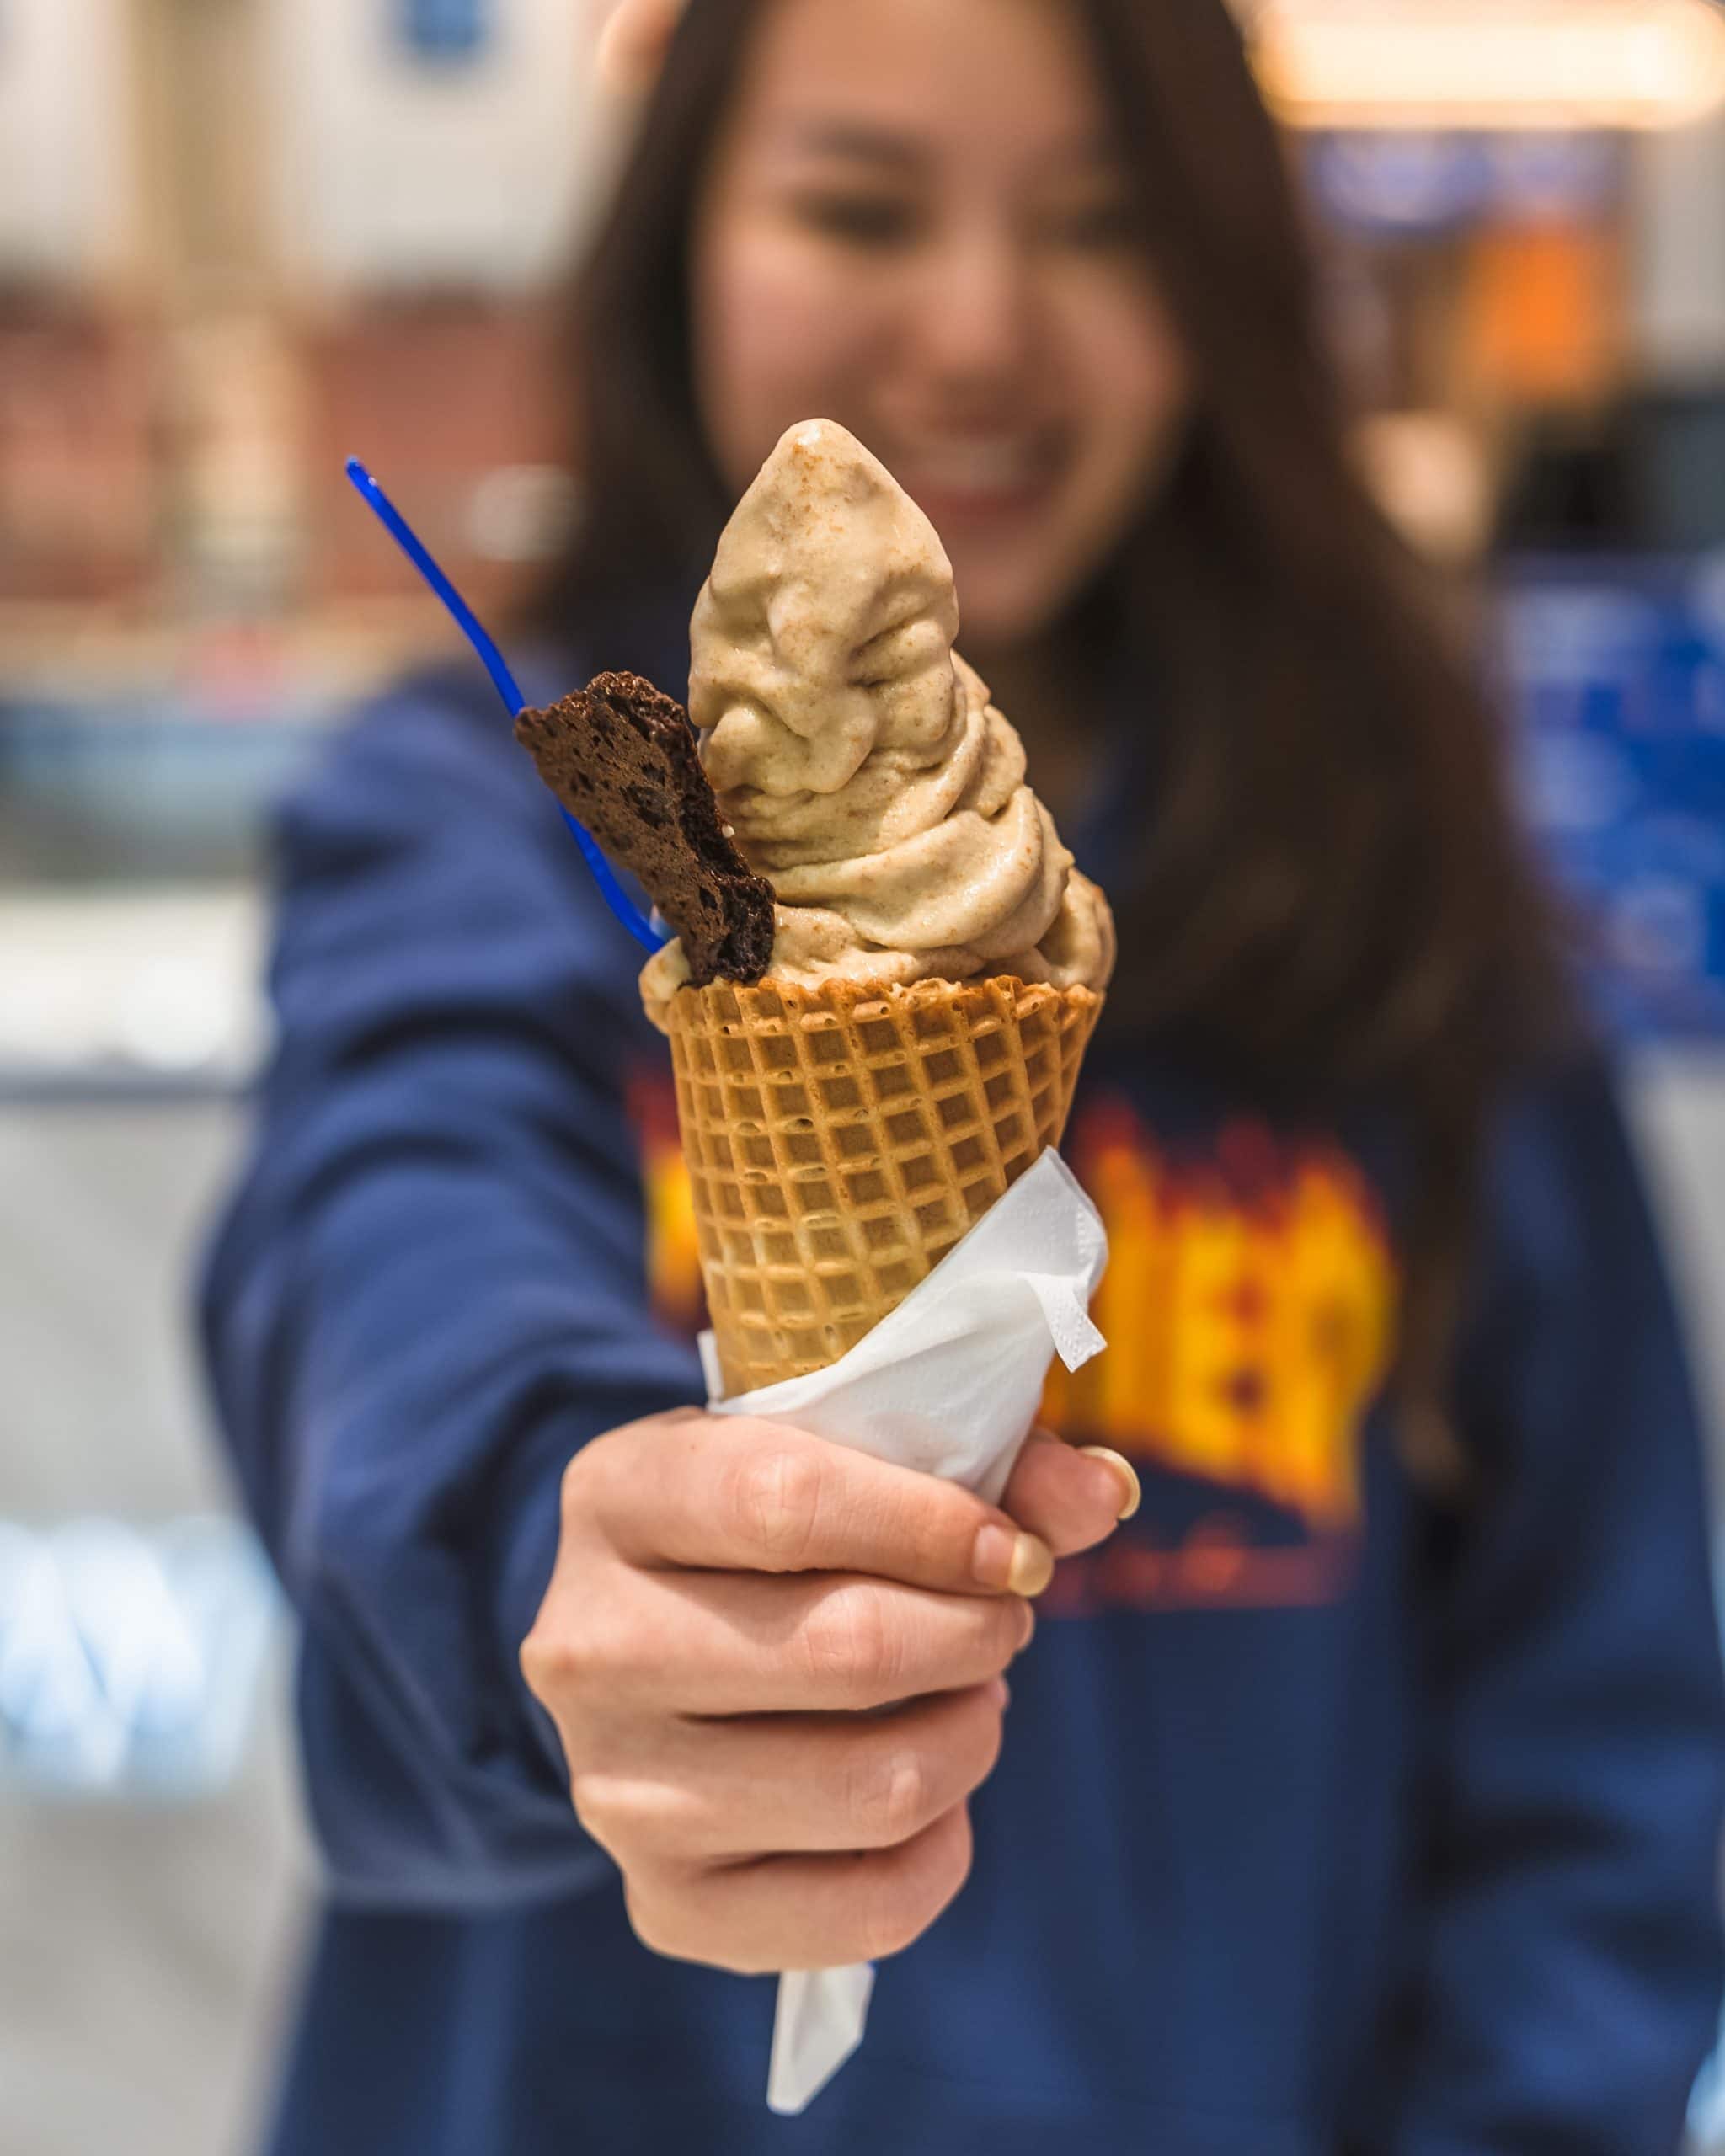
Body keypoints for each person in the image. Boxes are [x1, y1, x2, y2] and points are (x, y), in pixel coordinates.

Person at [200, 1, 1725, 2149]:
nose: (983, 330)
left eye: (1103, 225)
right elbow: (384, 1262)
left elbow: (1601, 1735)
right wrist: (560, 1550)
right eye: (860, 208)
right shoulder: (482, 823)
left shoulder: (1409, 894)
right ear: (682, 240)